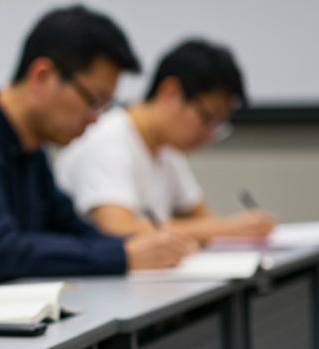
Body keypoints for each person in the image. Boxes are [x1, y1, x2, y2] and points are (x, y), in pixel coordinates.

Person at [0, 5, 200, 286]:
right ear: (42, 76)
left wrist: (139, 243)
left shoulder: (30, 148)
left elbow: (71, 228)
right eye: (94, 101)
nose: (96, 119)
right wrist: (123, 255)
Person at [54, 39, 276, 243]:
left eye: (219, 125)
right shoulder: (104, 141)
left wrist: (230, 229)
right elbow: (119, 230)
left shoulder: (167, 149)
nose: (209, 135)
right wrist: (227, 229)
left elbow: (203, 220)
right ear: (170, 93)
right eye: (208, 118)